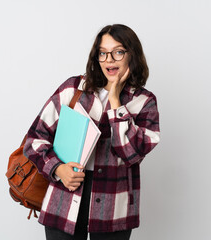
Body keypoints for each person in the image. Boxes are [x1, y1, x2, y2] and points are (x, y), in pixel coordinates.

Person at [23, 24, 160, 240]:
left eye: (118, 52)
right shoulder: (74, 88)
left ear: (131, 54)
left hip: (113, 207)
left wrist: (115, 101)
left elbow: (130, 154)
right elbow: (35, 139)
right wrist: (58, 170)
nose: (109, 60)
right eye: (103, 53)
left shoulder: (144, 102)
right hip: (65, 197)